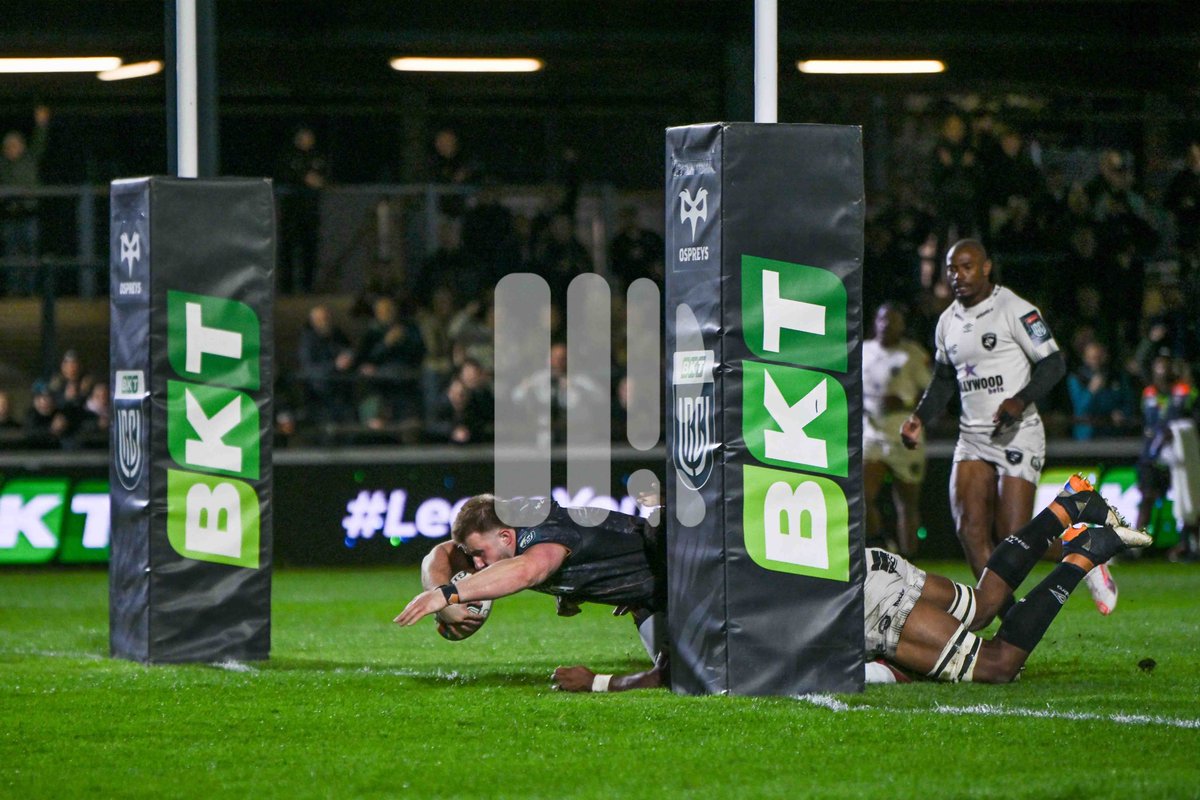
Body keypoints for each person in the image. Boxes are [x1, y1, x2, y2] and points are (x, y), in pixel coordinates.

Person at [394, 476, 1149, 691]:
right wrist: (451, 580)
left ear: (495, 535)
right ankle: (1069, 508)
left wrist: (455, 595)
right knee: (983, 603)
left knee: (995, 665)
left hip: (816, 594)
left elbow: (682, 672)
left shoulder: (547, 544)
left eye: (477, 556)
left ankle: (1088, 550)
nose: (480, 570)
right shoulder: (592, 534)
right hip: (822, 561)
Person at [899, 239, 1117, 615]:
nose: (958, 275)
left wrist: (1020, 399)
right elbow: (944, 379)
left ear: (986, 268)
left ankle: (1084, 549)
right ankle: (1006, 617)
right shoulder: (947, 321)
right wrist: (919, 416)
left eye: (967, 267)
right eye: (952, 268)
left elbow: (1053, 364)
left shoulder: (1015, 309)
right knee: (970, 530)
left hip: (1018, 432)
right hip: (972, 437)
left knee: (1013, 538)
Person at [862, 302, 932, 556]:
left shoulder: (912, 354)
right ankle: (879, 543)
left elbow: (932, 392)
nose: (885, 325)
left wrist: (905, 401)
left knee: (907, 504)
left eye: (892, 320)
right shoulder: (863, 352)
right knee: (862, 495)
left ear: (901, 326)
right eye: (881, 319)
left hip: (904, 435)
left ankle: (909, 560)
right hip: (872, 433)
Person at [1, 105, 50, 296]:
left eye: (15, 146)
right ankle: (14, 292)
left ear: (21, 147)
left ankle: (30, 293)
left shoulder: (29, 159)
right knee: (11, 256)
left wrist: (42, 123)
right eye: (9, 147)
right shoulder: (3, 165)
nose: (12, 149)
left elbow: (40, 143)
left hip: (29, 214)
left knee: (31, 256)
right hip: (10, 215)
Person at [275, 126, 329, 293]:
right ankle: (287, 289)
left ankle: (308, 288)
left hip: (310, 213)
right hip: (291, 213)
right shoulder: (289, 156)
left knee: (309, 252)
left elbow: (325, 177)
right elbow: (283, 174)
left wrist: (318, 181)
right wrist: (303, 178)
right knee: (288, 251)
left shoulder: (318, 157)